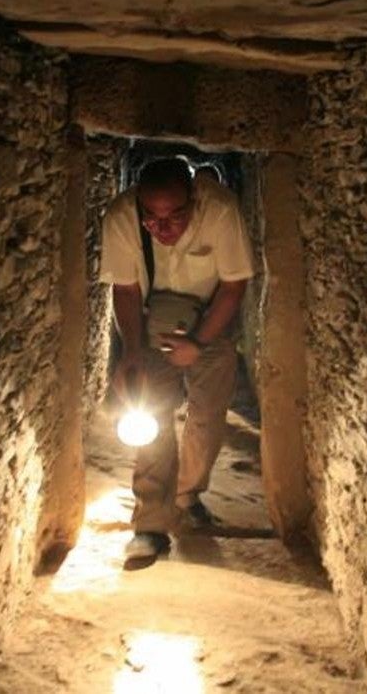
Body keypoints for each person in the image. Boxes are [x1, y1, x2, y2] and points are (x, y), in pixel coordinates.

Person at [99, 157, 254, 560]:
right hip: (152, 321)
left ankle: (187, 495)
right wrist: (131, 351)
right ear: (138, 203)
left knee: (207, 414)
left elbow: (234, 285)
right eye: (151, 217)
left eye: (175, 216)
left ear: (194, 199)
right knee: (151, 413)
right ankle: (150, 524)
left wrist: (199, 344)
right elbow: (126, 289)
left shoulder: (220, 210)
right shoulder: (121, 217)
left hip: (212, 318)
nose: (163, 229)